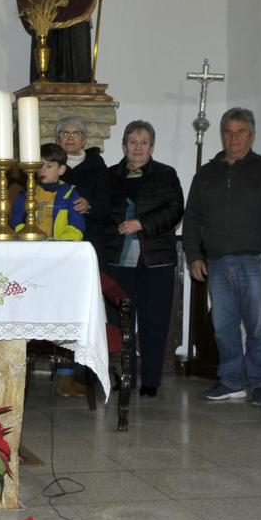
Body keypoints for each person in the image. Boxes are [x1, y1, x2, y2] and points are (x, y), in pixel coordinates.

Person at [183, 108, 261, 407]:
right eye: (228, 131)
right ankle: (232, 381)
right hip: (217, 261)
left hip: (255, 260)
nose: (233, 137)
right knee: (223, 327)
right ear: (221, 134)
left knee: (258, 327)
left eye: (240, 131)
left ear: (251, 134)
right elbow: (192, 218)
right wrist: (193, 255)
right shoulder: (207, 173)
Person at [105, 120, 184, 398]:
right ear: (124, 145)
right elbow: (104, 214)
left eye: (144, 142)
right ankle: (125, 376)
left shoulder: (166, 174)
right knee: (122, 323)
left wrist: (142, 224)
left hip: (156, 260)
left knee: (154, 321)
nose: (138, 147)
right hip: (119, 260)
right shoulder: (111, 175)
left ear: (152, 146)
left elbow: (175, 211)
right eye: (132, 142)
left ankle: (151, 379)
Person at [54, 116, 111, 263]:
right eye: (64, 133)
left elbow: (106, 207)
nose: (70, 137)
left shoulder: (98, 168)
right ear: (57, 139)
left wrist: (88, 206)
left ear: (84, 140)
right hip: (55, 240)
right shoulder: (48, 167)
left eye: (76, 133)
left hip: (89, 240)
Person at [11, 143, 85, 240]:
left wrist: (63, 241)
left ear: (61, 170)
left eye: (49, 166)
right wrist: (25, 234)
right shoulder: (27, 193)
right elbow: (16, 219)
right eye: (40, 165)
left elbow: (77, 223)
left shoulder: (70, 194)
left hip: (60, 247)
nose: (43, 170)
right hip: (31, 244)